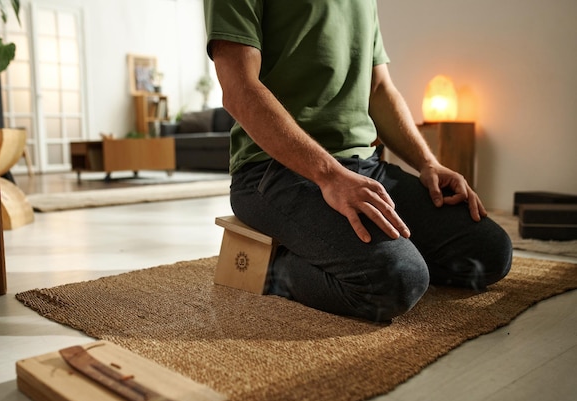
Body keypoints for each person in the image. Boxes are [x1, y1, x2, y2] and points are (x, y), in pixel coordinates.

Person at [204, 0, 512, 322]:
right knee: (396, 282)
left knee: (490, 253)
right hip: (274, 171)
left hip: (364, 167)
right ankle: (268, 266)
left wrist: (427, 163)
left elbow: (378, 88)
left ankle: (357, 255)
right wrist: (329, 175)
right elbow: (239, 88)